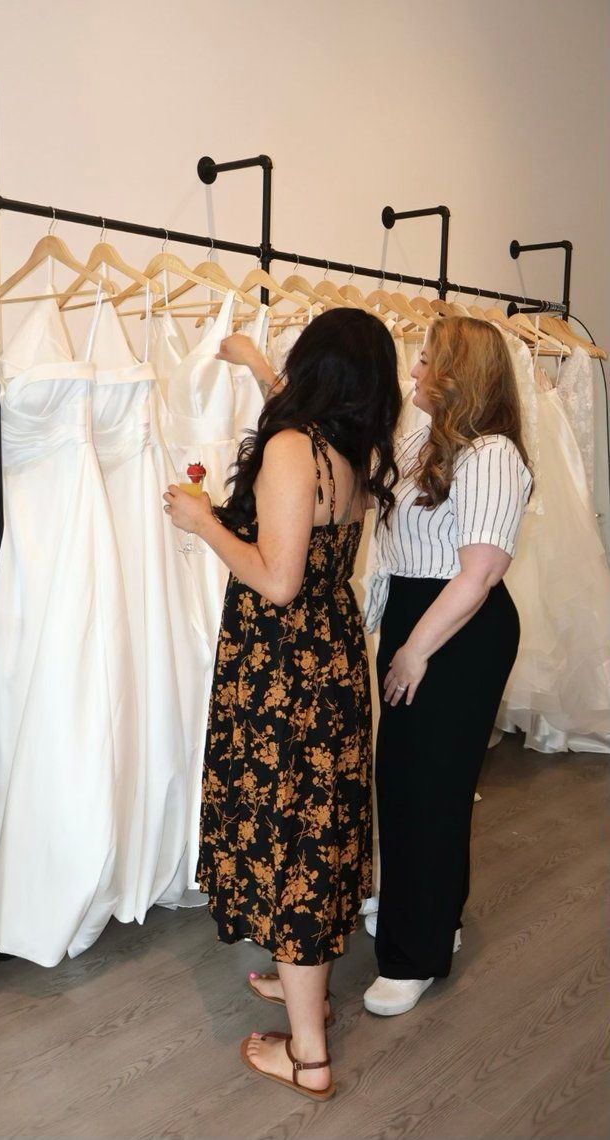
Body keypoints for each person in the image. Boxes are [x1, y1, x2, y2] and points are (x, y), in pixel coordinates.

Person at [164, 308, 400, 1100]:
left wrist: (202, 525)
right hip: (327, 664)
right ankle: (310, 997)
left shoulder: (294, 449)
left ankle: (307, 1055)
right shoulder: (350, 449)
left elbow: (277, 577)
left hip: (281, 673)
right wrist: (255, 365)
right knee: (317, 832)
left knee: (294, 842)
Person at [362, 315, 533, 1016]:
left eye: (428, 361)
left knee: (427, 787)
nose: (415, 372)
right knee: (405, 781)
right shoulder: (423, 439)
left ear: (461, 373)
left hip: (454, 630)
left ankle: (416, 954)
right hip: (418, 616)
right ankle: (430, 918)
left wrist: (413, 649)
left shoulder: (491, 454)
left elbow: (481, 572)